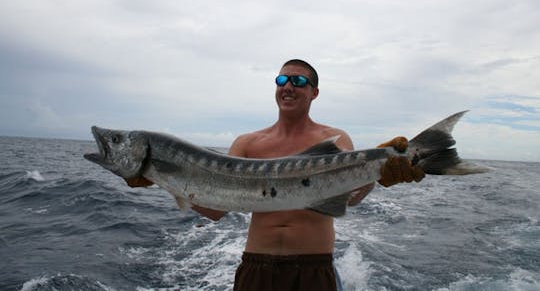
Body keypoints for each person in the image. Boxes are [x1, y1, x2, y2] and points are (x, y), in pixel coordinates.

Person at [126, 59, 424, 291]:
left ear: (314, 92)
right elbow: (216, 210)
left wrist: (380, 174)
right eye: (282, 80)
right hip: (257, 269)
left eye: (298, 81)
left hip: (314, 269)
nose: (288, 87)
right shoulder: (248, 143)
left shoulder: (334, 140)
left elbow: (352, 197)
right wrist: (161, 179)